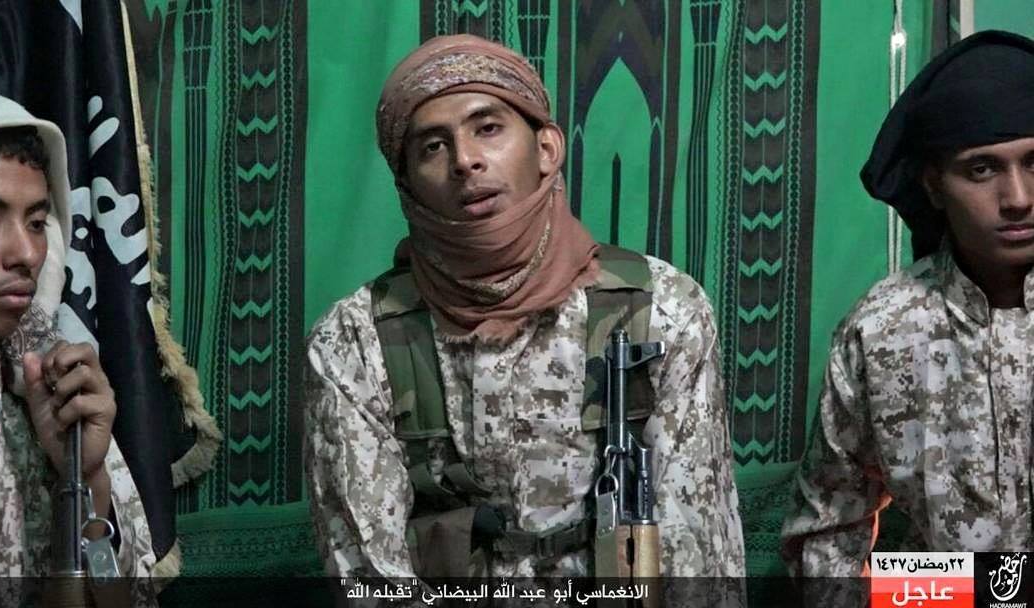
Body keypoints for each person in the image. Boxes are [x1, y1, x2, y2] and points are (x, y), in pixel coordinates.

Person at [304, 34, 744, 584]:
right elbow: (370, 577)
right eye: (433, 147)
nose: (465, 160)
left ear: (547, 148)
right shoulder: (354, 341)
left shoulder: (662, 309)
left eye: (488, 128)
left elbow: (698, 554)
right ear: (406, 185)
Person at [782, 30, 1034, 580]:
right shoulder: (883, 330)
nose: (1017, 198)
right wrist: (937, 588)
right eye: (982, 169)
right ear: (934, 185)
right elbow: (830, 530)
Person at [0, 84, 155, 600]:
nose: (26, 253)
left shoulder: (52, 390)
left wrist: (85, 480)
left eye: (38, 222)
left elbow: (118, 598)